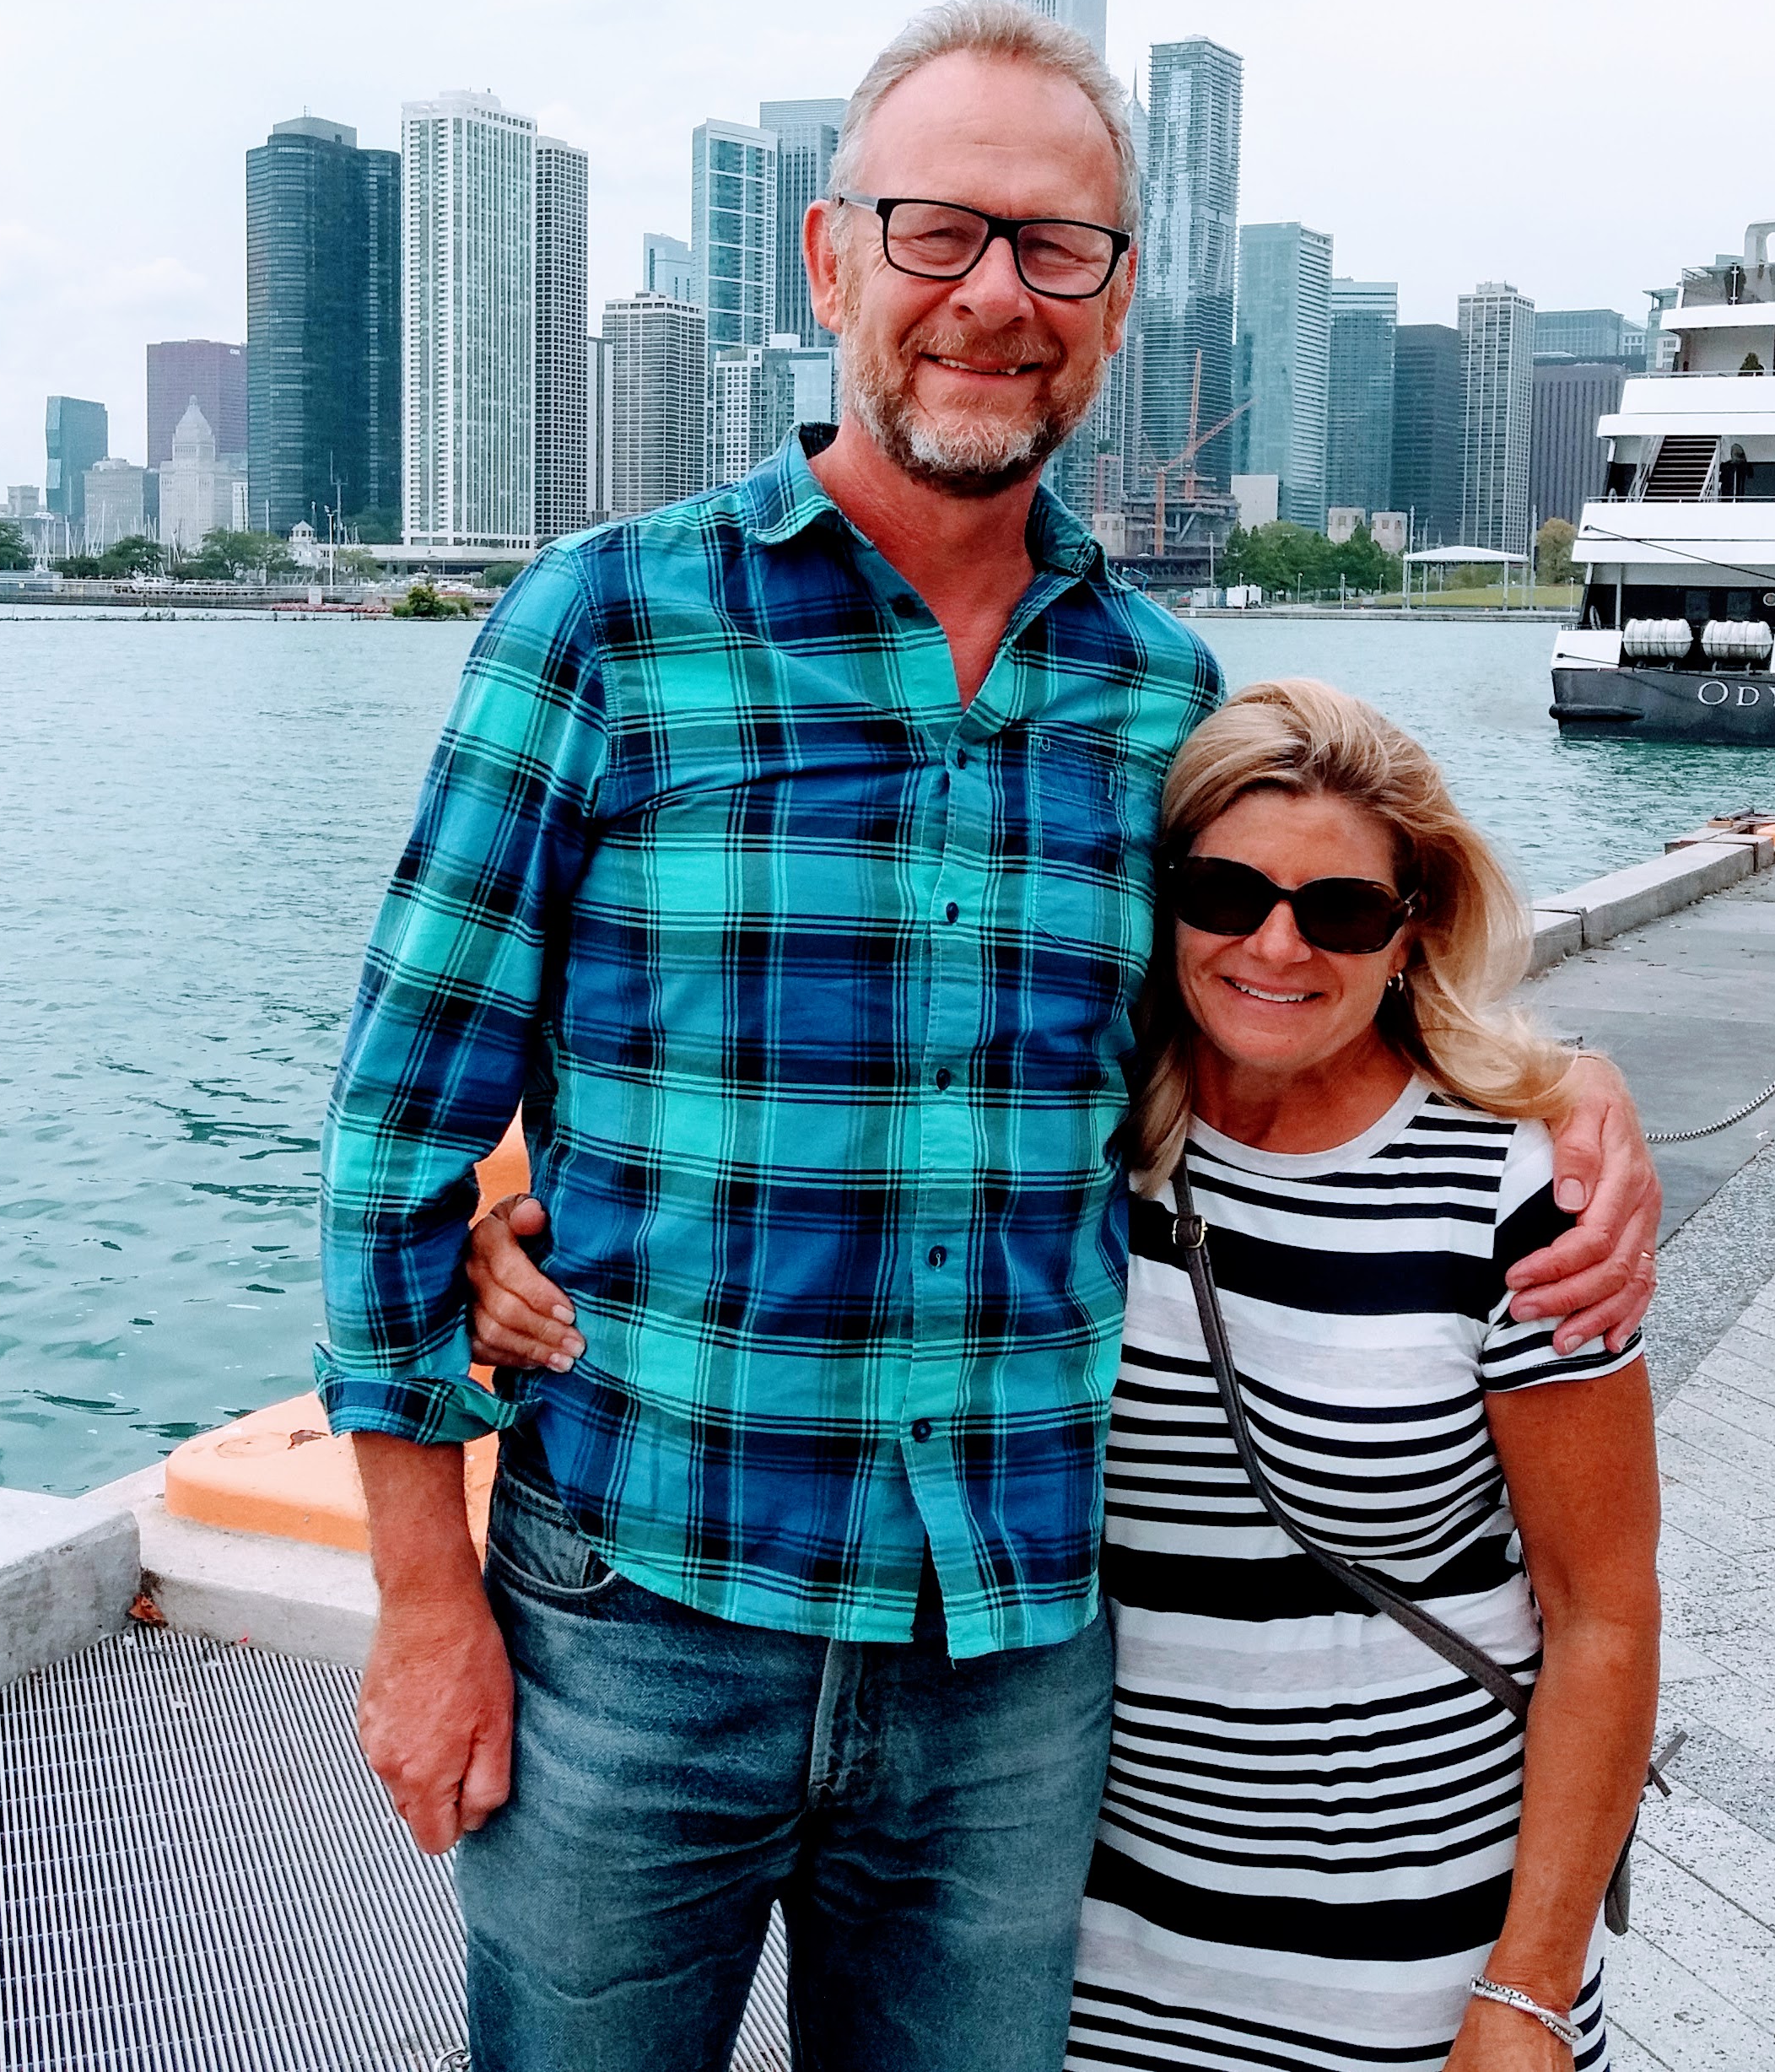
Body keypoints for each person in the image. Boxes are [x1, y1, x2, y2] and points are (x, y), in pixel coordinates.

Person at [321, 0, 1663, 2072]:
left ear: (1115, 305)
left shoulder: (1156, 694)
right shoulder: (603, 625)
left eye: (1057, 248)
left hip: (1010, 1662)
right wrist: (424, 1597)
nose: (993, 296)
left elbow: (1267, 1007)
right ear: (828, 260)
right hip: (638, 1619)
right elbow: (397, 1128)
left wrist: (1561, 1084)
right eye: (936, 231)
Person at [472, 681, 1664, 2072]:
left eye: (1340, 911)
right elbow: (796, 1143)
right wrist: (518, 1243)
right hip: (1098, 1955)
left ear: (1410, 930)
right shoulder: (1082, 1146)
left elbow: (1604, 1613)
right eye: (1224, 893)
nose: (1277, 945)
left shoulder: (1519, 1196)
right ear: (1158, 902)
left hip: (1411, 1954)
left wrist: (1529, 1985)